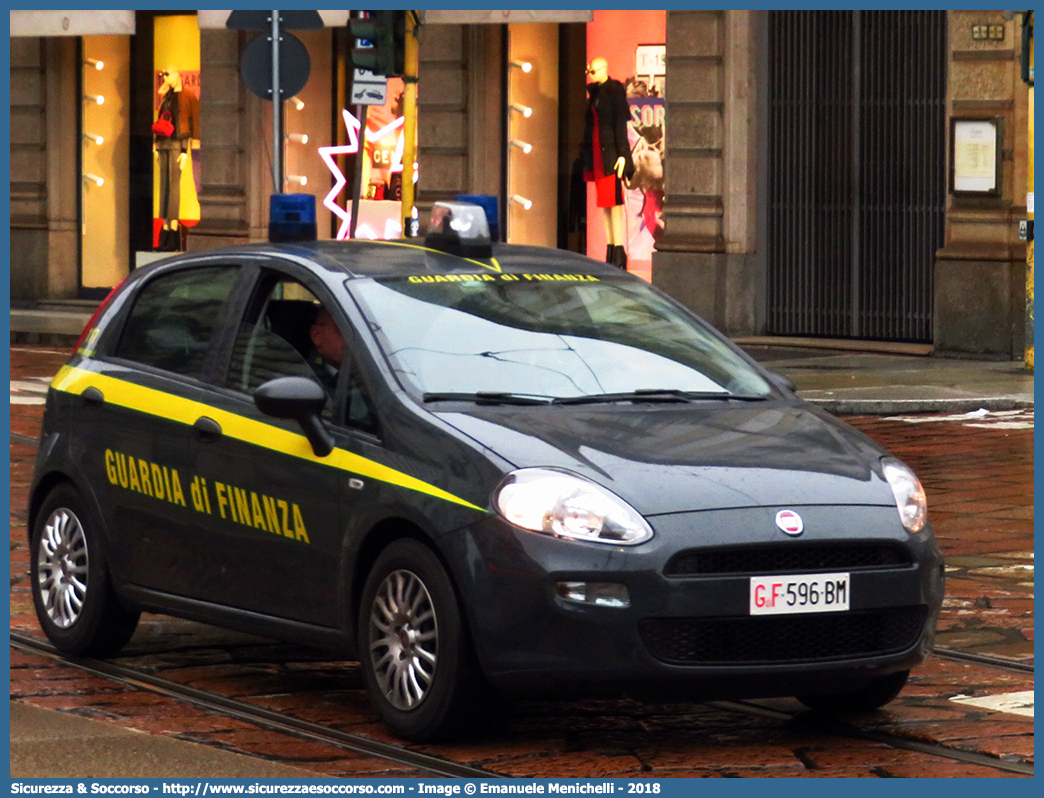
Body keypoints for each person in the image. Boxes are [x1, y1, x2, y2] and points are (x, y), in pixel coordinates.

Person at [580, 57, 635, 271]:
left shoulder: (614, 91)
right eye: (590, 72)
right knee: (605, 204)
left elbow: (620, 126)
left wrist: (623, 155)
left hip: (610, 152)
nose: (591, 75)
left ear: (604, 69)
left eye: (593, 71)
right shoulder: (595, 94)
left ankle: (618, 251)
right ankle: (610, 248)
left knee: (614, 202)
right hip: (596, 153)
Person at [308, 306, 344, 394]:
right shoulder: (306, 381)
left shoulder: (371, 374)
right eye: (342, 331)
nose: (350, 340)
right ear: (317, 335)